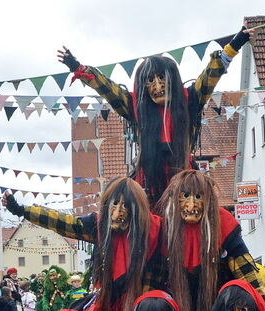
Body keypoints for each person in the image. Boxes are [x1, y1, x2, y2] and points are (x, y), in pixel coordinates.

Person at [57, 30, 251, 205]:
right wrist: (77, 67)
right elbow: (107, 88)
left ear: (172, 80)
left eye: (161, 78)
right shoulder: (135, 106)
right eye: (150, 81)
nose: (157, 86)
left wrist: (235, 44)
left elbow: (211, 75)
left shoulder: (190, 99)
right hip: (147, 182)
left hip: (184, 182)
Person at [3, 178, 162, 311]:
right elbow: (62, 221)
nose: (118, 212)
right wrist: (21, 210)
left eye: (125, 206)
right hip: (105, 308)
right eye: (115, 204)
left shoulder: (156, 230)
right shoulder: (99, 225)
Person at [158, 169, 265, 311]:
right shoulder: (165, 230)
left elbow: (247, 274)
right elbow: (154, 278)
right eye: (185, 196)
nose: (192, 204)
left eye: (198, 197)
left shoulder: (223, 225)